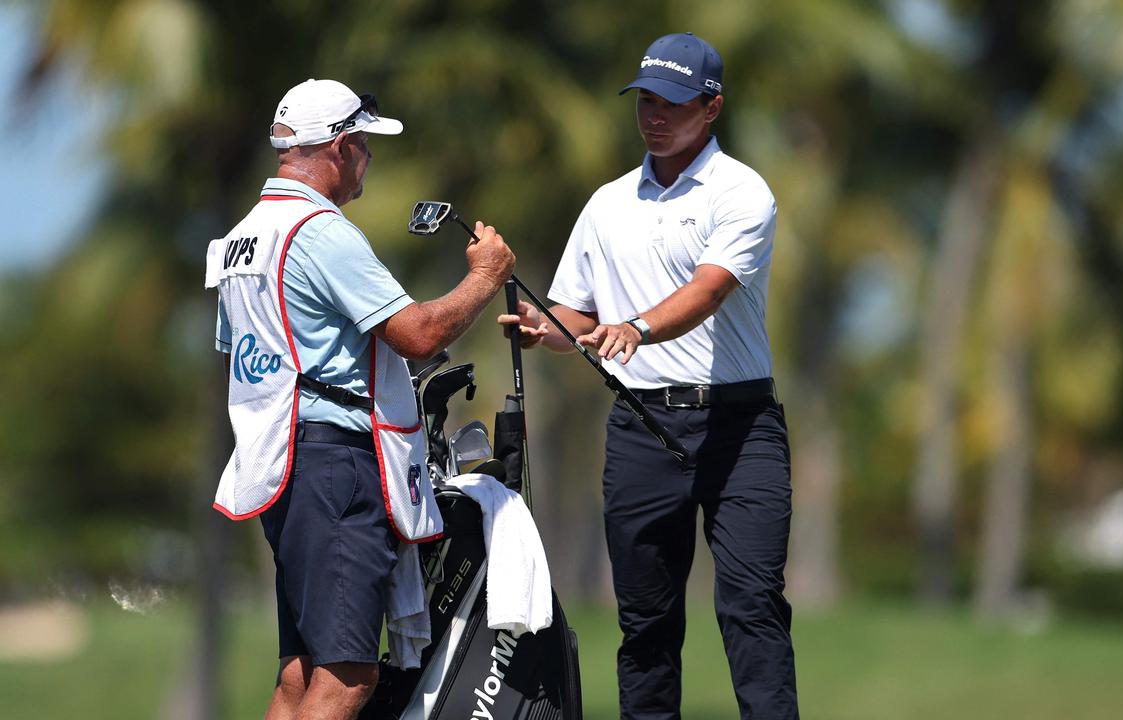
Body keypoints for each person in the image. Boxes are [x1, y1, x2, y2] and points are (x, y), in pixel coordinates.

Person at [500, 33, 798, 719]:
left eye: (672, 102)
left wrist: (634, 327)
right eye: (645, 101)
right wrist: (550, 329)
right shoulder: (607, 205)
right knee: (646, 627)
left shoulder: (742, 192)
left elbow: (709, 290)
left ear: (712, 106)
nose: (654, 115)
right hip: (641, 428)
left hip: (739, 430)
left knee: (751, 608)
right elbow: (575, 310)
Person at [207, 78, 515, 720]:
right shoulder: (321, 231)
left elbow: (245, 350)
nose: (370, 159)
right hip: (335, 467)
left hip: (280, 460)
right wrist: (485, 277)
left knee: (300, 673)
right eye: (366, 145)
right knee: (346, 675)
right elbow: (419, 335)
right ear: (340, 147)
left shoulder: (241, 239)